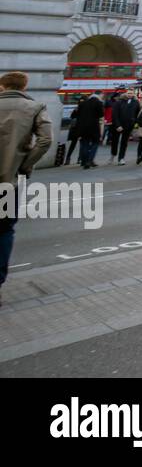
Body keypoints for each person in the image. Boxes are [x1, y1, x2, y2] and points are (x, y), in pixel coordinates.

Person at [0, 72, 52, 306]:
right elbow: (45, 140)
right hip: (9, 182)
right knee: (3, 231)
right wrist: (24, 164)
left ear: (2, 86)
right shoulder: (34, 107)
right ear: (25, 85)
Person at [73, 92, 104, 168]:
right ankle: (90, 160)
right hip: (94, 127)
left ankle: (84, 161)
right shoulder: (99, 103)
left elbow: (78, 115)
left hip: (83, 127)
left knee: (84, 144)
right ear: (99, 95)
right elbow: (101, 114)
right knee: (95, 143)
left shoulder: (83, 103)